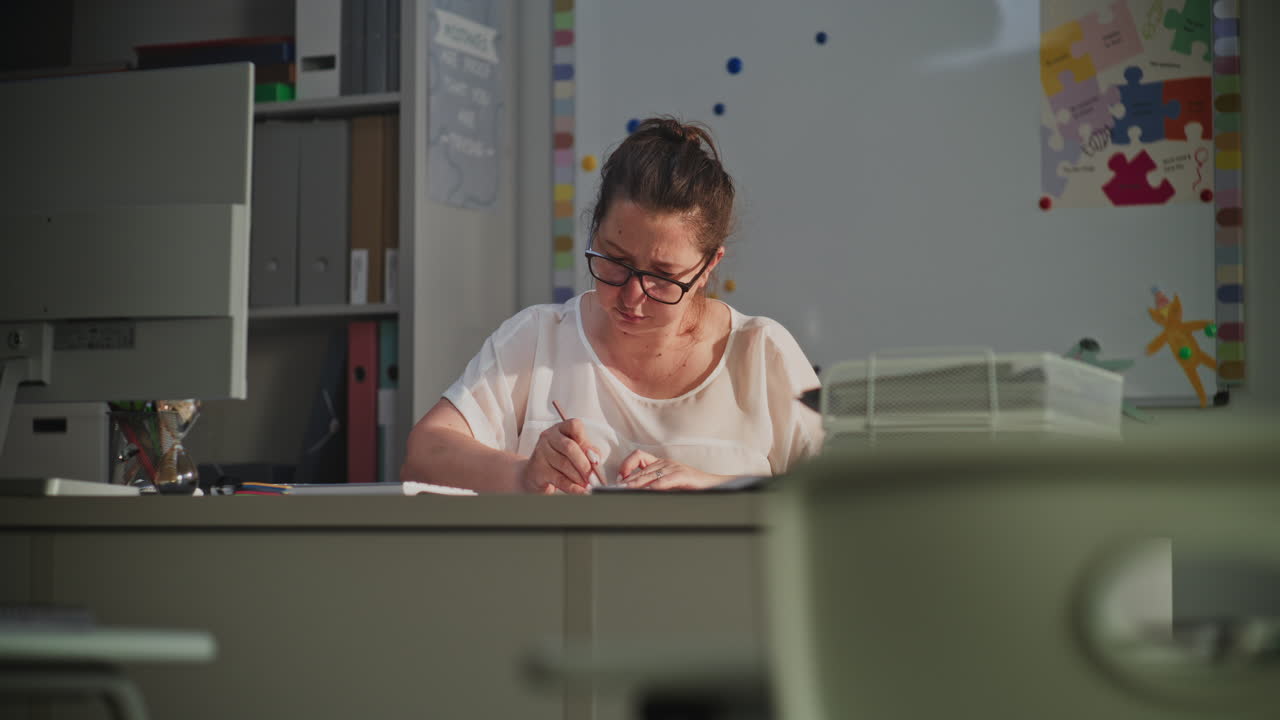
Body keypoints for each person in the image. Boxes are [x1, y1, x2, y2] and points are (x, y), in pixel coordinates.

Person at [401, 117, 823, 493]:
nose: (631, 296)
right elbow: (425, 453)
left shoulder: (761, 353)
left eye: (662, 277)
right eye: (615, 261)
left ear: (708, 266)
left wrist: (717, 488)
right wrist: (522, 476)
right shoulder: (536, 340)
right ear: (594, 229)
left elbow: (848, 503)